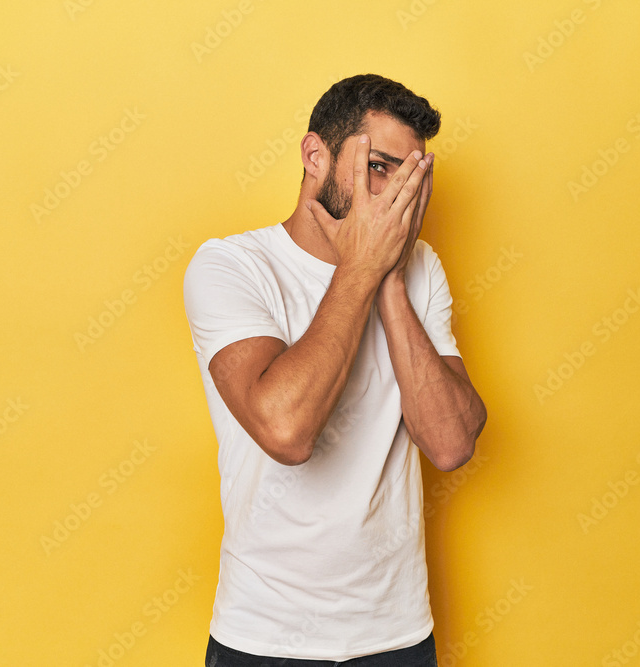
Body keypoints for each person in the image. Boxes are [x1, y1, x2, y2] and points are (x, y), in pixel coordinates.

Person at [183, 73, 487, 666]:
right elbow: (286, 432)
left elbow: (450, 443)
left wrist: (389, 275)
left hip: (396, 636)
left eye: (410, 178)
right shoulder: (232, 266)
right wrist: (362, 266)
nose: (395, 194)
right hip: (264, 637)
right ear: (315, 155)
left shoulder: (420, 267)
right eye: (379, 166)